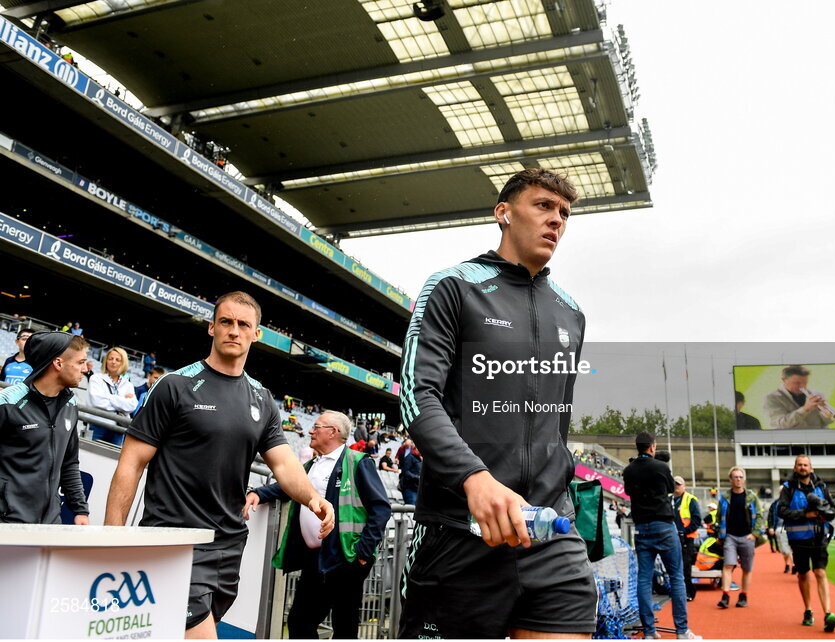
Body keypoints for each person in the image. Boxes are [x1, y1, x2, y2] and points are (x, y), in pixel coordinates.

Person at [398, 168, 597, 638]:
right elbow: (416, 395)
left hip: (550, 533)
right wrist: (474, 480)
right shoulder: (454, 285)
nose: (556, 221)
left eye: (564, 213)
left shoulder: (571, 311)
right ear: (503, 213)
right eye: (543, 206)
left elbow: (558, 423)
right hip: (459, 530)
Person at [105, 292, 335, 639]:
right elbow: (130, 464)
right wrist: (112, 538)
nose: (234, 330)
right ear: (211, 327)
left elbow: (285, 465)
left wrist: (312, 498)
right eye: (226, 322)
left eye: (244, 324)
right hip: (174, 541)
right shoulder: (174, 386)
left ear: (256, 334)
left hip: (229, 544)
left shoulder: (262, 399)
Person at [244, 411, 391, 639]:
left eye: (317, 426)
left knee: (344, 624)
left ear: (333, 432)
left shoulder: (358, 463)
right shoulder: (312, 464)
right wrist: (259, 494)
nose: (311, 431)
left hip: (347, 558)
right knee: (300, 621)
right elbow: (288, 487)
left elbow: (381, 508)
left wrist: (362, 552)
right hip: (316, 558)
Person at [0, 332, 90, 524]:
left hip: (49, 523)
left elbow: (69, 462)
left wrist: (80, 510)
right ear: (58, 363)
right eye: (81, 362)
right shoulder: (7, 401)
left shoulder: (71, 404)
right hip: (8, 522)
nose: (85, 369)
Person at [623, 432, 699, 639]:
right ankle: (682, 631)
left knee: (644, 580)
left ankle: (649, 632)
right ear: (652, 447)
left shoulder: (629, 470)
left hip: (642, 529)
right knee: (676, 577)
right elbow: (668, 489)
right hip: (664, 527)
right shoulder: (661, 467)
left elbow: (628, 492)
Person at [777, 455, 835, 632]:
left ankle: (828, 613)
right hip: (798, 540)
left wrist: (824, 514)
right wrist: (805, 514)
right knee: (803, 574)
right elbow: (781, 511)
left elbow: (833, 510)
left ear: (811, 468)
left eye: (805, 465)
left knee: (820, 572)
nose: (803, 467)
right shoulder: (788, 488)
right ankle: (808, 610)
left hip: (819, 537)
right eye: (799, 465)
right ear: (795, 468)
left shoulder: (821, 486)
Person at [715, 466, 764, 609]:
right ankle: (725, 595)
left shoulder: (751, 496)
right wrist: (719, 534)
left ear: (744, 479)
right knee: (728, 565)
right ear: (730, 479)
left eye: (741, 477)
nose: (738, 479)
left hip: (747, 537)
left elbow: (760, 516)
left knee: (746, 569)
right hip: (730, 536)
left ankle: (744, 595)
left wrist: (754, 534)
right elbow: (718, 517)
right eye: (735, 477)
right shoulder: (724, 498)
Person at [87, 346, 137, 446]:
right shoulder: (96, 378)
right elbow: (97, 401)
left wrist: (107, 397)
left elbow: (132, 406)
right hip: (97, 425)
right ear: (106, 361)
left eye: (117, 360)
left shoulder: (128, 384)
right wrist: (122, 401)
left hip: (118, 429)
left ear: (123, 363)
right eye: (110, 359)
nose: (113, 362)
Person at [763, 365, 834, 429]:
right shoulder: (772, 398)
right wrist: (805, 409)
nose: (802, 386)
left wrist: (824, 411)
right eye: (797, 383)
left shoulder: (816, 394)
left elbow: (827, 422)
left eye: (805, 383)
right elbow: (782, 424)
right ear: (784, 380)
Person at [673, 475, 702, 601]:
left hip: (687, 539)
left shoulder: (690, 500)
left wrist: (684, 532)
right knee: (673, 567)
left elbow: (696, 520)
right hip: (671, 538)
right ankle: (677, 592)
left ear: (684, 486)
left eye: (678, 484)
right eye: (674, 484)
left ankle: (689, 592)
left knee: (685, 567)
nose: (676, 487)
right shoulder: (668, 499)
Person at [767, 496, 795, 574]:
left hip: (792, 527)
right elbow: (770, 516)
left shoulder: (793, 501)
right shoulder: (775, 504)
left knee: (792, 548)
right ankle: (788, 564)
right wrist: (771, 527)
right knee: (785, 551)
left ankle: (793, 565)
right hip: (780, 528)